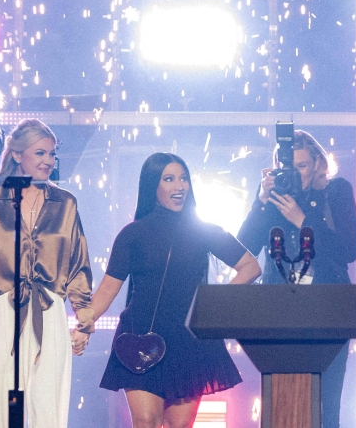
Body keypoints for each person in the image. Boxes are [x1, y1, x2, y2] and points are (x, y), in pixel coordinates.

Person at [93, 153, 262, 428]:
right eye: (169, 179)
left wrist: (213, 304)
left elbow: (250, 267)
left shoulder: (204, 230)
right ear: (152, 185)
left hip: (189, 341)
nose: (179, 186)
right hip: (140, 338)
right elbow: (106, 291)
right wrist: (85, 321)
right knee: (146, 420)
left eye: (183, 178)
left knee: (179, 425)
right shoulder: (132, 234)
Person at [0, 119, 93, 428]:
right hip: (0, 312)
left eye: (52, 154)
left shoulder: (65, 203)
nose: (48, 161)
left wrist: (83, 318)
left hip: (49, 310)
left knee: (48, 409)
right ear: (17, 155)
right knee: (4, 412)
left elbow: (78, 264)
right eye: (40, 153)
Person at [237, 130, 356, 428]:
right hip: (278, 308)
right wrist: (261, 202)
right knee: (280, 402)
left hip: (330, 309)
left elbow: (348, 249)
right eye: (289, 168)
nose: (296, 174)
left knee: (325, 405)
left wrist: (303, 221)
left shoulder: (336, 191)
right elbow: (243, 250)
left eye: (302, 166)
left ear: (318, 163)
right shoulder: (273, 198)